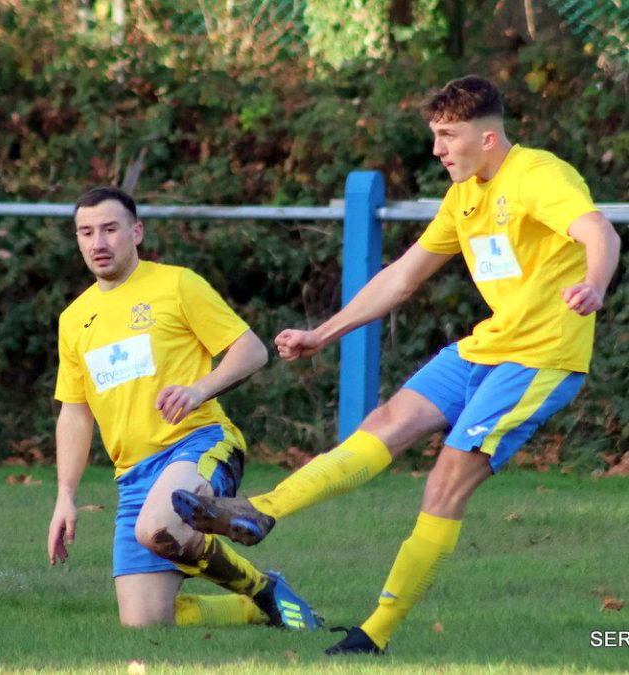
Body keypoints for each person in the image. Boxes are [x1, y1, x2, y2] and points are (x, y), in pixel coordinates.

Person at [172, 74, 620, 654]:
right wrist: (322, 333)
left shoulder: (538, 175)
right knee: (383, 423)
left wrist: (594, 284)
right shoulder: (464, 197)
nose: (436, 149)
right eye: (435, 134)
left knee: (446, 480)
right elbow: (402, 278)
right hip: (486, 347)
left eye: (447, 135)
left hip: (539, 360)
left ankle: (374, 634)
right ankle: (259, 511)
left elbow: (599, 231)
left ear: (487, 138)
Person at [47, 186, 321, 630]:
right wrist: (65, 496)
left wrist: (199, 391)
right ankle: (257, 609)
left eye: (110, 229)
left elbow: (251, 351)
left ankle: (261, 588)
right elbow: (75, 413)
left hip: (198, 444)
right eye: (86, 232)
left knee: (157, 527)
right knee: (144, 622)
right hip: (133, 476)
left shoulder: (176, 284)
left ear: (136, 232)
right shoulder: (74, 319)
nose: (98, 243)